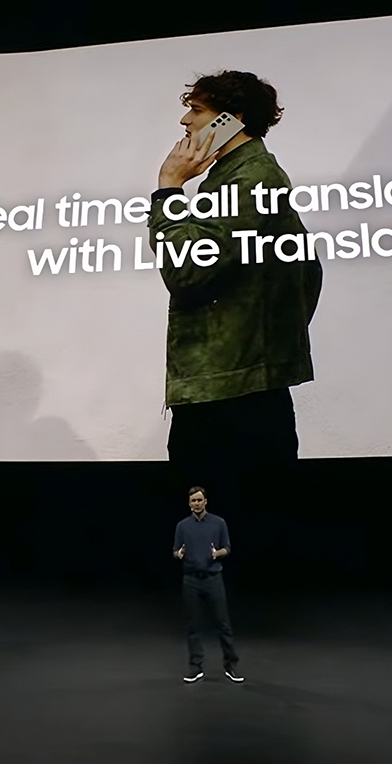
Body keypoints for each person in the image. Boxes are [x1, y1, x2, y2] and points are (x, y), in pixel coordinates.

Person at [149, 71, 323, 490]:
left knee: (232, 514)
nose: (185, 121)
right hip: (232, 388)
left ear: (232, 118)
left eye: (196, 110)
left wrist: (169, 187)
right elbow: (309, 273)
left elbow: (185, 270)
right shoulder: (232, 177)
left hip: (232, 397)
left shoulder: (252, 179)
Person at [173, 486, 242, 683]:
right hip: (191, 580)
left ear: (205, 501)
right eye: (193, 501)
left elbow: (227, 548)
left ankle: (231, 665)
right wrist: (179, 554)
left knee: (223, 623)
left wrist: (217, 553)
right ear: (189, 504)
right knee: (193, 625)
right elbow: (175, 550)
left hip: (213, 578)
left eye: (199, 500)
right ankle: (196, 667)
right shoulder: (182, 526)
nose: (196, 504)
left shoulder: (218, 523)